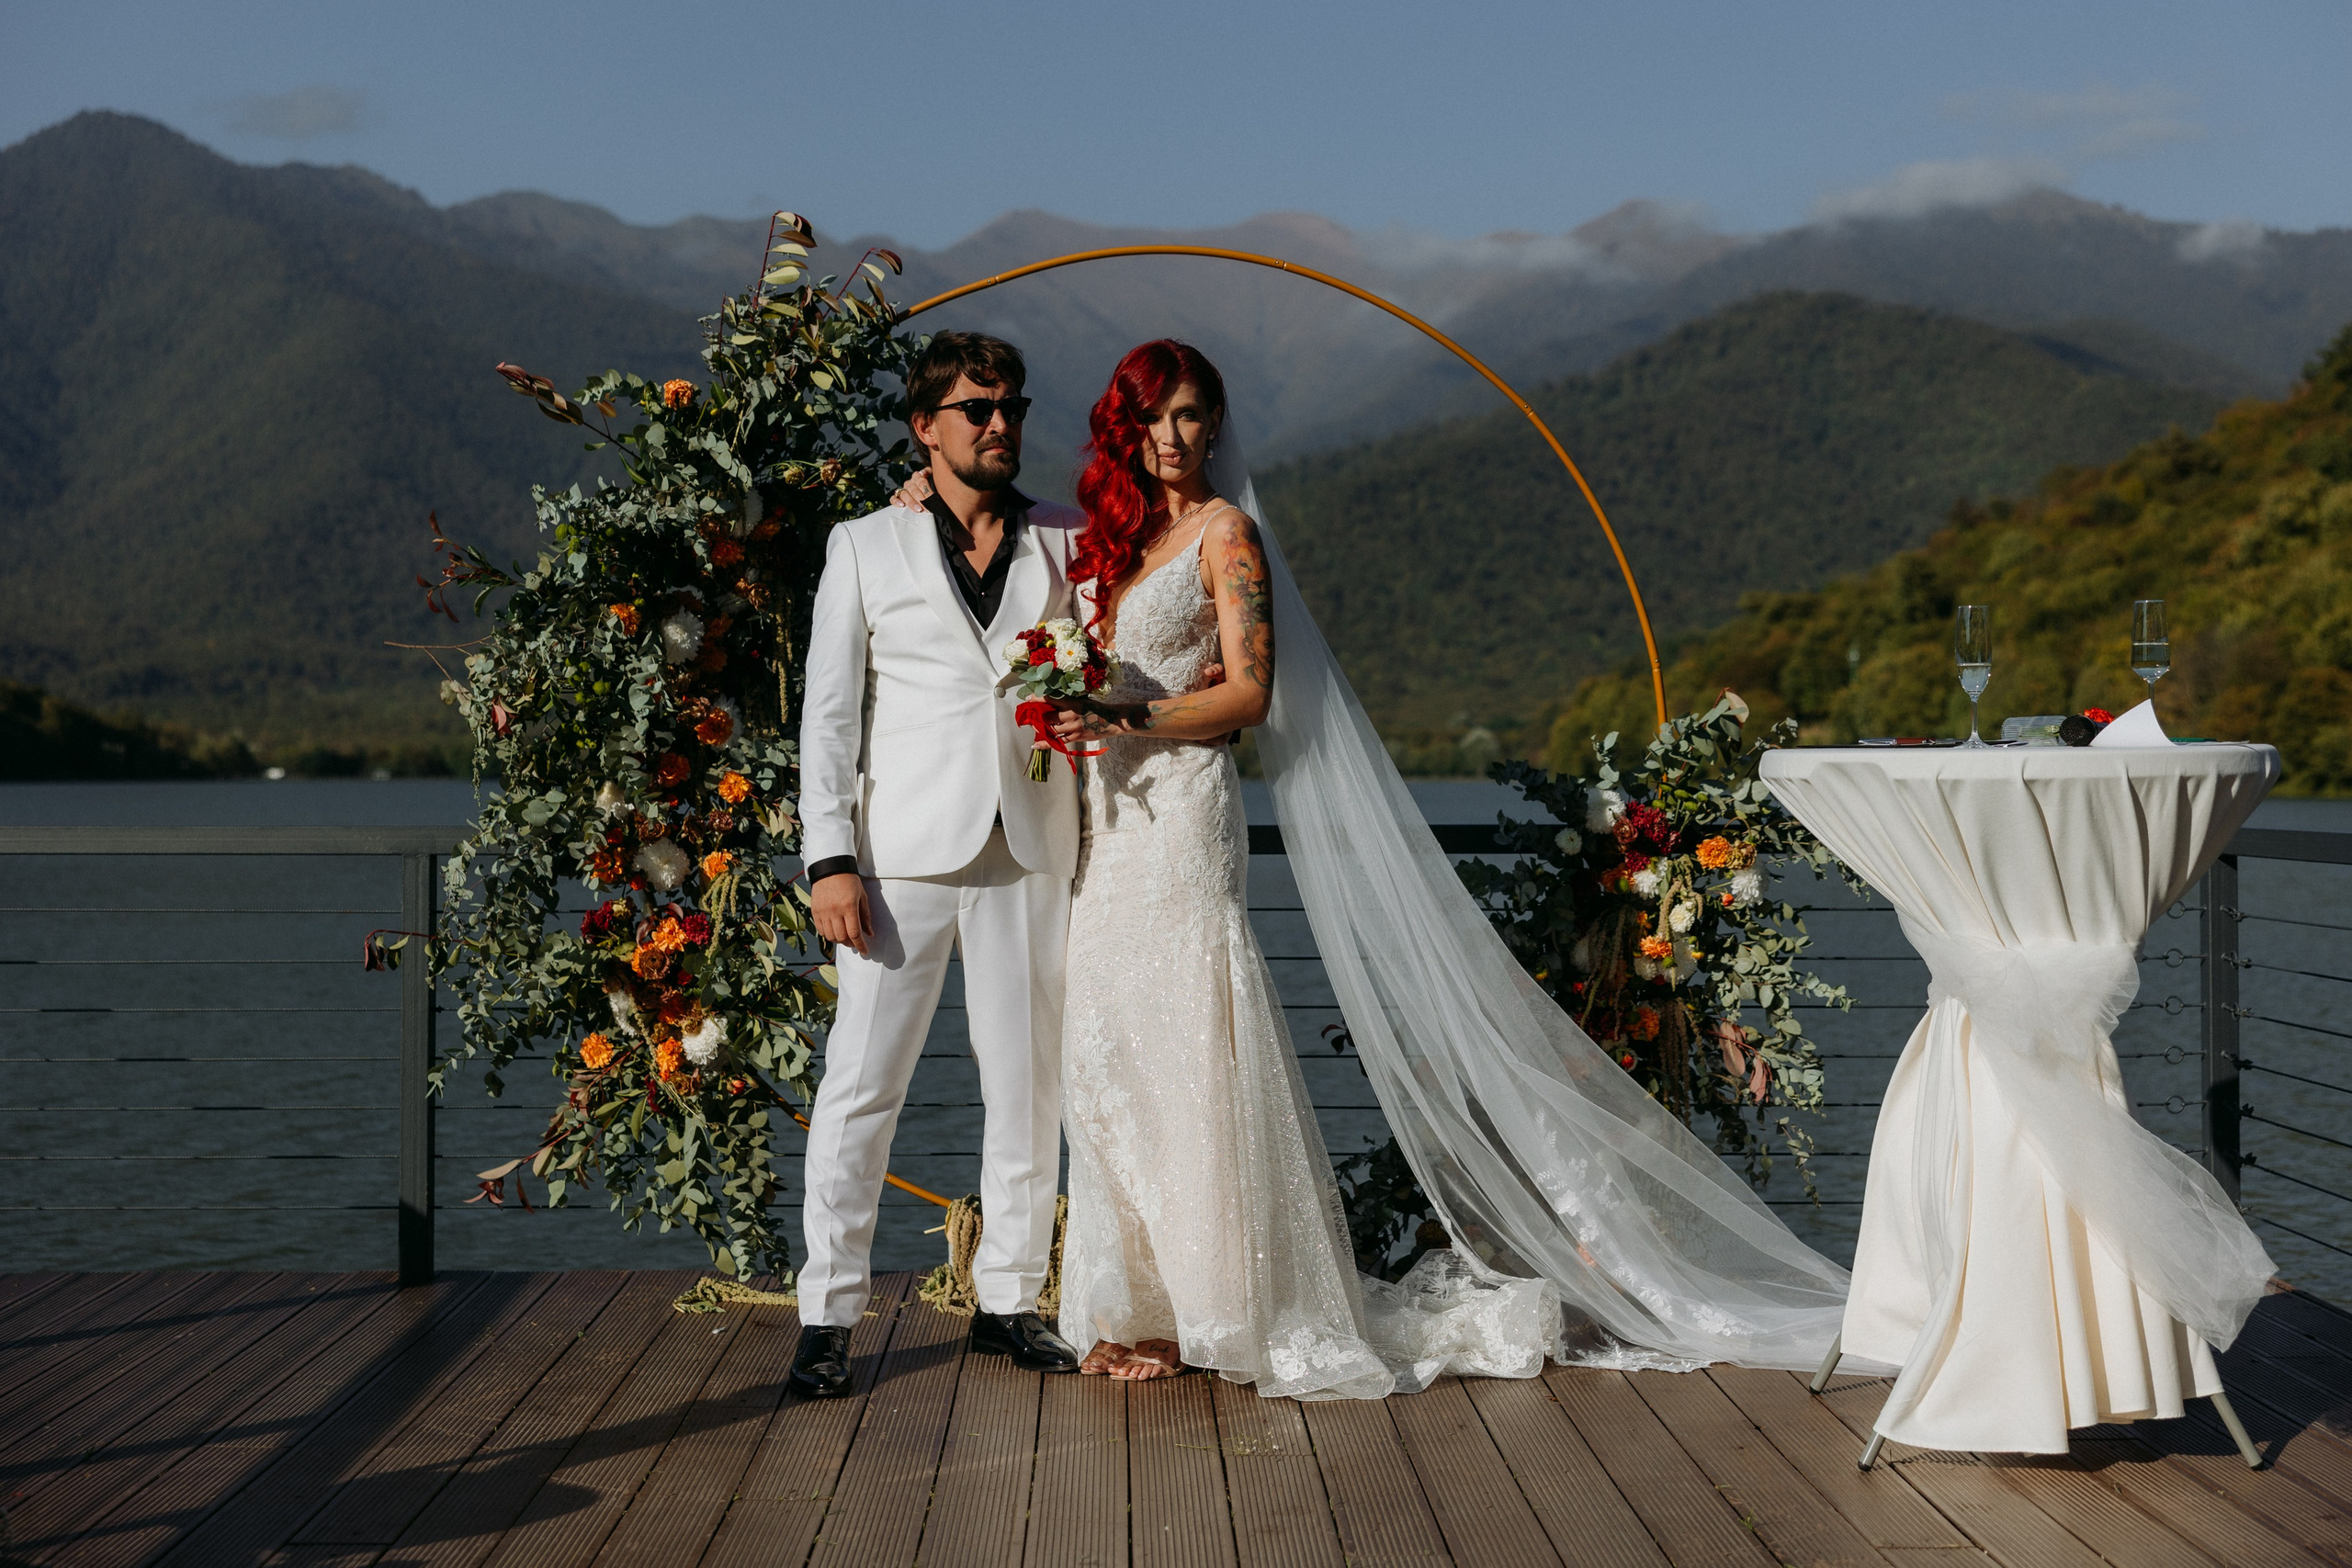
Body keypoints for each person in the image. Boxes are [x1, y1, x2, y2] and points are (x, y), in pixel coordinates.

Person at [900, 340, 1863, 1399]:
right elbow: (998, 517)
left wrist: (1126, 709)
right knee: (1110, 1049)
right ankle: (1135, 1306)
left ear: (1214, 427)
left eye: (1189, 416)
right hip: (1102, 825)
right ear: (1123, 427)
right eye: (1152, 417)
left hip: (1179, 818)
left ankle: (1221, 1307)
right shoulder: (1107, 538)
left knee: (1188, 1038)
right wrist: (922, 494)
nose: (1170, 437)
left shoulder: (1227, 536)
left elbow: (1251, 698)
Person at [789, 331, 1087, 1396]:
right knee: (862, 1087)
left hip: (1031, 846)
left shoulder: (1068, 541)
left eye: (1011, 406)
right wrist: (829, 857)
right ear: (926, 426)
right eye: (976, 409)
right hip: (895, 862)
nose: (1000, 424)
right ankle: (827, 1314)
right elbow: (828, 718)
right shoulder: (864, 544)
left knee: (1029, 1084)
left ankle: (1009, 1295)